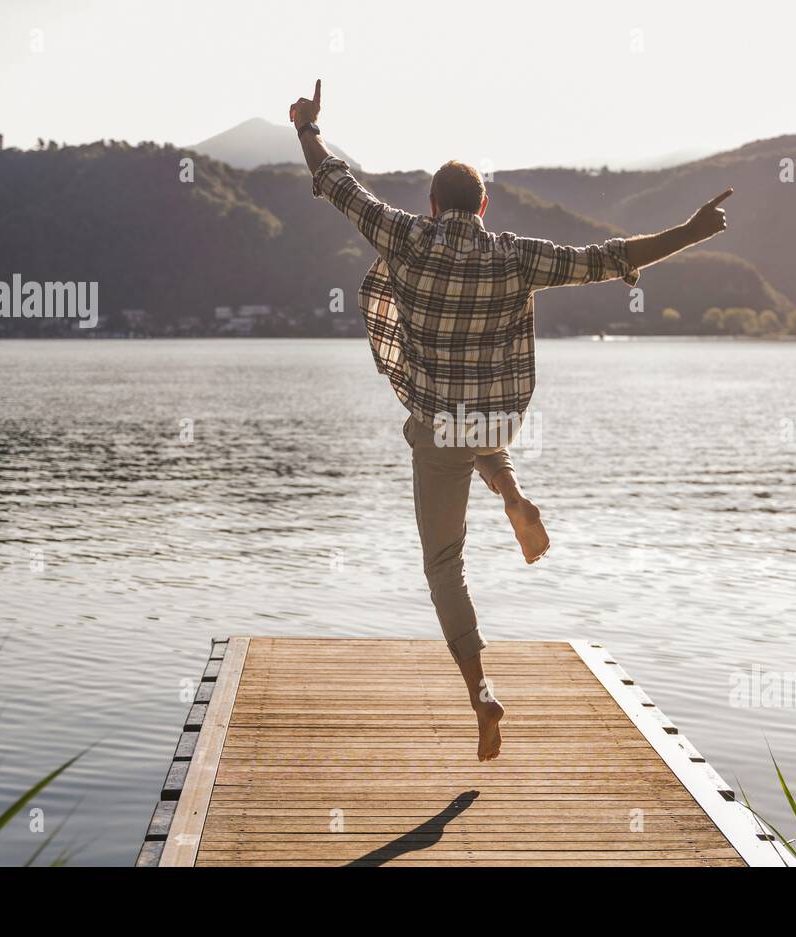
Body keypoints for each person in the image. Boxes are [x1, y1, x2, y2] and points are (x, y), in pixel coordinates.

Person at [291, 80, 730, 762]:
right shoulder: (515, 255)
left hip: (438, 420)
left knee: (444, 564)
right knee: (478, 433)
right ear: (484, 206)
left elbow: (338, 183)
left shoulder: (405, 237)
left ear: (432, 205)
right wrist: (693, 232)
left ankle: (482, 691)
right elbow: (608, 258)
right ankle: (513, 494)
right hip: (492, 419)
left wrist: (307, 126)